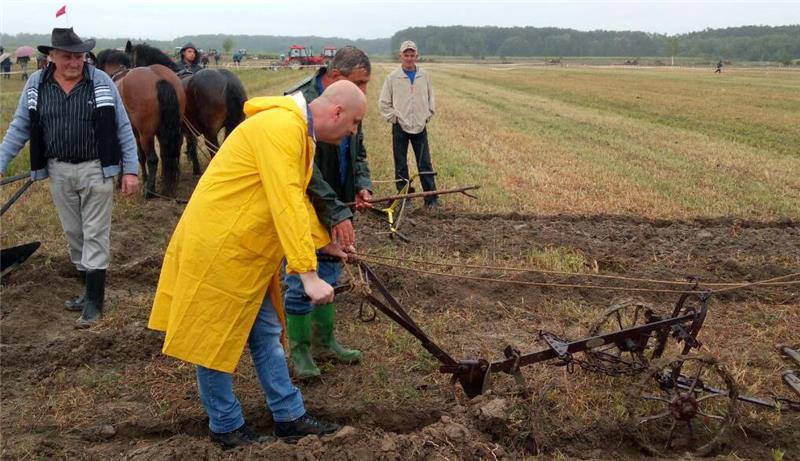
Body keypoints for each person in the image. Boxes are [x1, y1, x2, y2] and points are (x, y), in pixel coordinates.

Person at [148, 80, 367, 448]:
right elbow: (286, 201)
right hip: (220, 248)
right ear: (337, 112)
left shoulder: (297, 132)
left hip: (245, 250)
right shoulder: (282, 129)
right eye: (355, 122)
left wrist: (323, 243)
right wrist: (307, 272)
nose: (354, 132)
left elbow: (291, 196)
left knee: (265, 333)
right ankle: (227, 426)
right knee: (213, 340)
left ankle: (289, 416)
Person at [0, 28, 140, 328]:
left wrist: (130, 169)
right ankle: (86, 289)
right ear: (51, 57)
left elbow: (122, 127)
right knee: (74, 233)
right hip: (58, 170)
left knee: (95, 232)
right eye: (67, 56)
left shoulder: (101, 82)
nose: (75, 62)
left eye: (79, 56)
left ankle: (94, 302)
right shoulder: (36, 85)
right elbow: (19, 127)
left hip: (95, 169)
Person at [282, 46, 372, 380]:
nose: (362, 92)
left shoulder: (350, 105)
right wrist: (334, 209)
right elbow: (307, 172)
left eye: (365, 85)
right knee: (300, 274)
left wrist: (362, 185)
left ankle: (325, 341)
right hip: (309, 203)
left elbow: (357, 152)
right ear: (335, 77)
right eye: (358, 83)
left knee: (331, 270)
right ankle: (301, 349)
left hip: (339, 203)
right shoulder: (300, 107)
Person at [379, 40, 439, 209]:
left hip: (420, 126)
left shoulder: (424, 76)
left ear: (416, 56)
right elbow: (384, 103)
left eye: (412, 55)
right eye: (406, 55)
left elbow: (431, 99)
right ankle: (405, 199)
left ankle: (431, 199)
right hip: (400, 127)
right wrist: (395, 118)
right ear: (401, 56)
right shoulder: (392, 78)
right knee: (401, 163)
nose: (409, 58)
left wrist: (428, 115)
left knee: (425, 163)